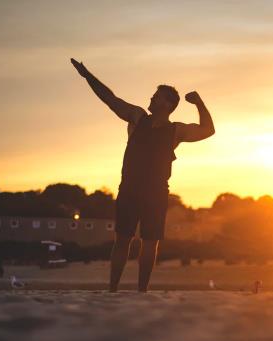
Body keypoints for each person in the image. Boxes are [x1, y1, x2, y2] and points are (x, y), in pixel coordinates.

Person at [71, 58, 215, 292]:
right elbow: (110, 99)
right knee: (122, 240)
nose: (151, 98)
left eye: (156, 96)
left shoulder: (176, 130)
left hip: (156, 192)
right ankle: (112, 289)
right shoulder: (137, 117)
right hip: (129, 188)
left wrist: (198, 102)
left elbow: (208, 130)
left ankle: (142, 291)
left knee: (150, 242)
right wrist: (87, 75)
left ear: (167, 104)